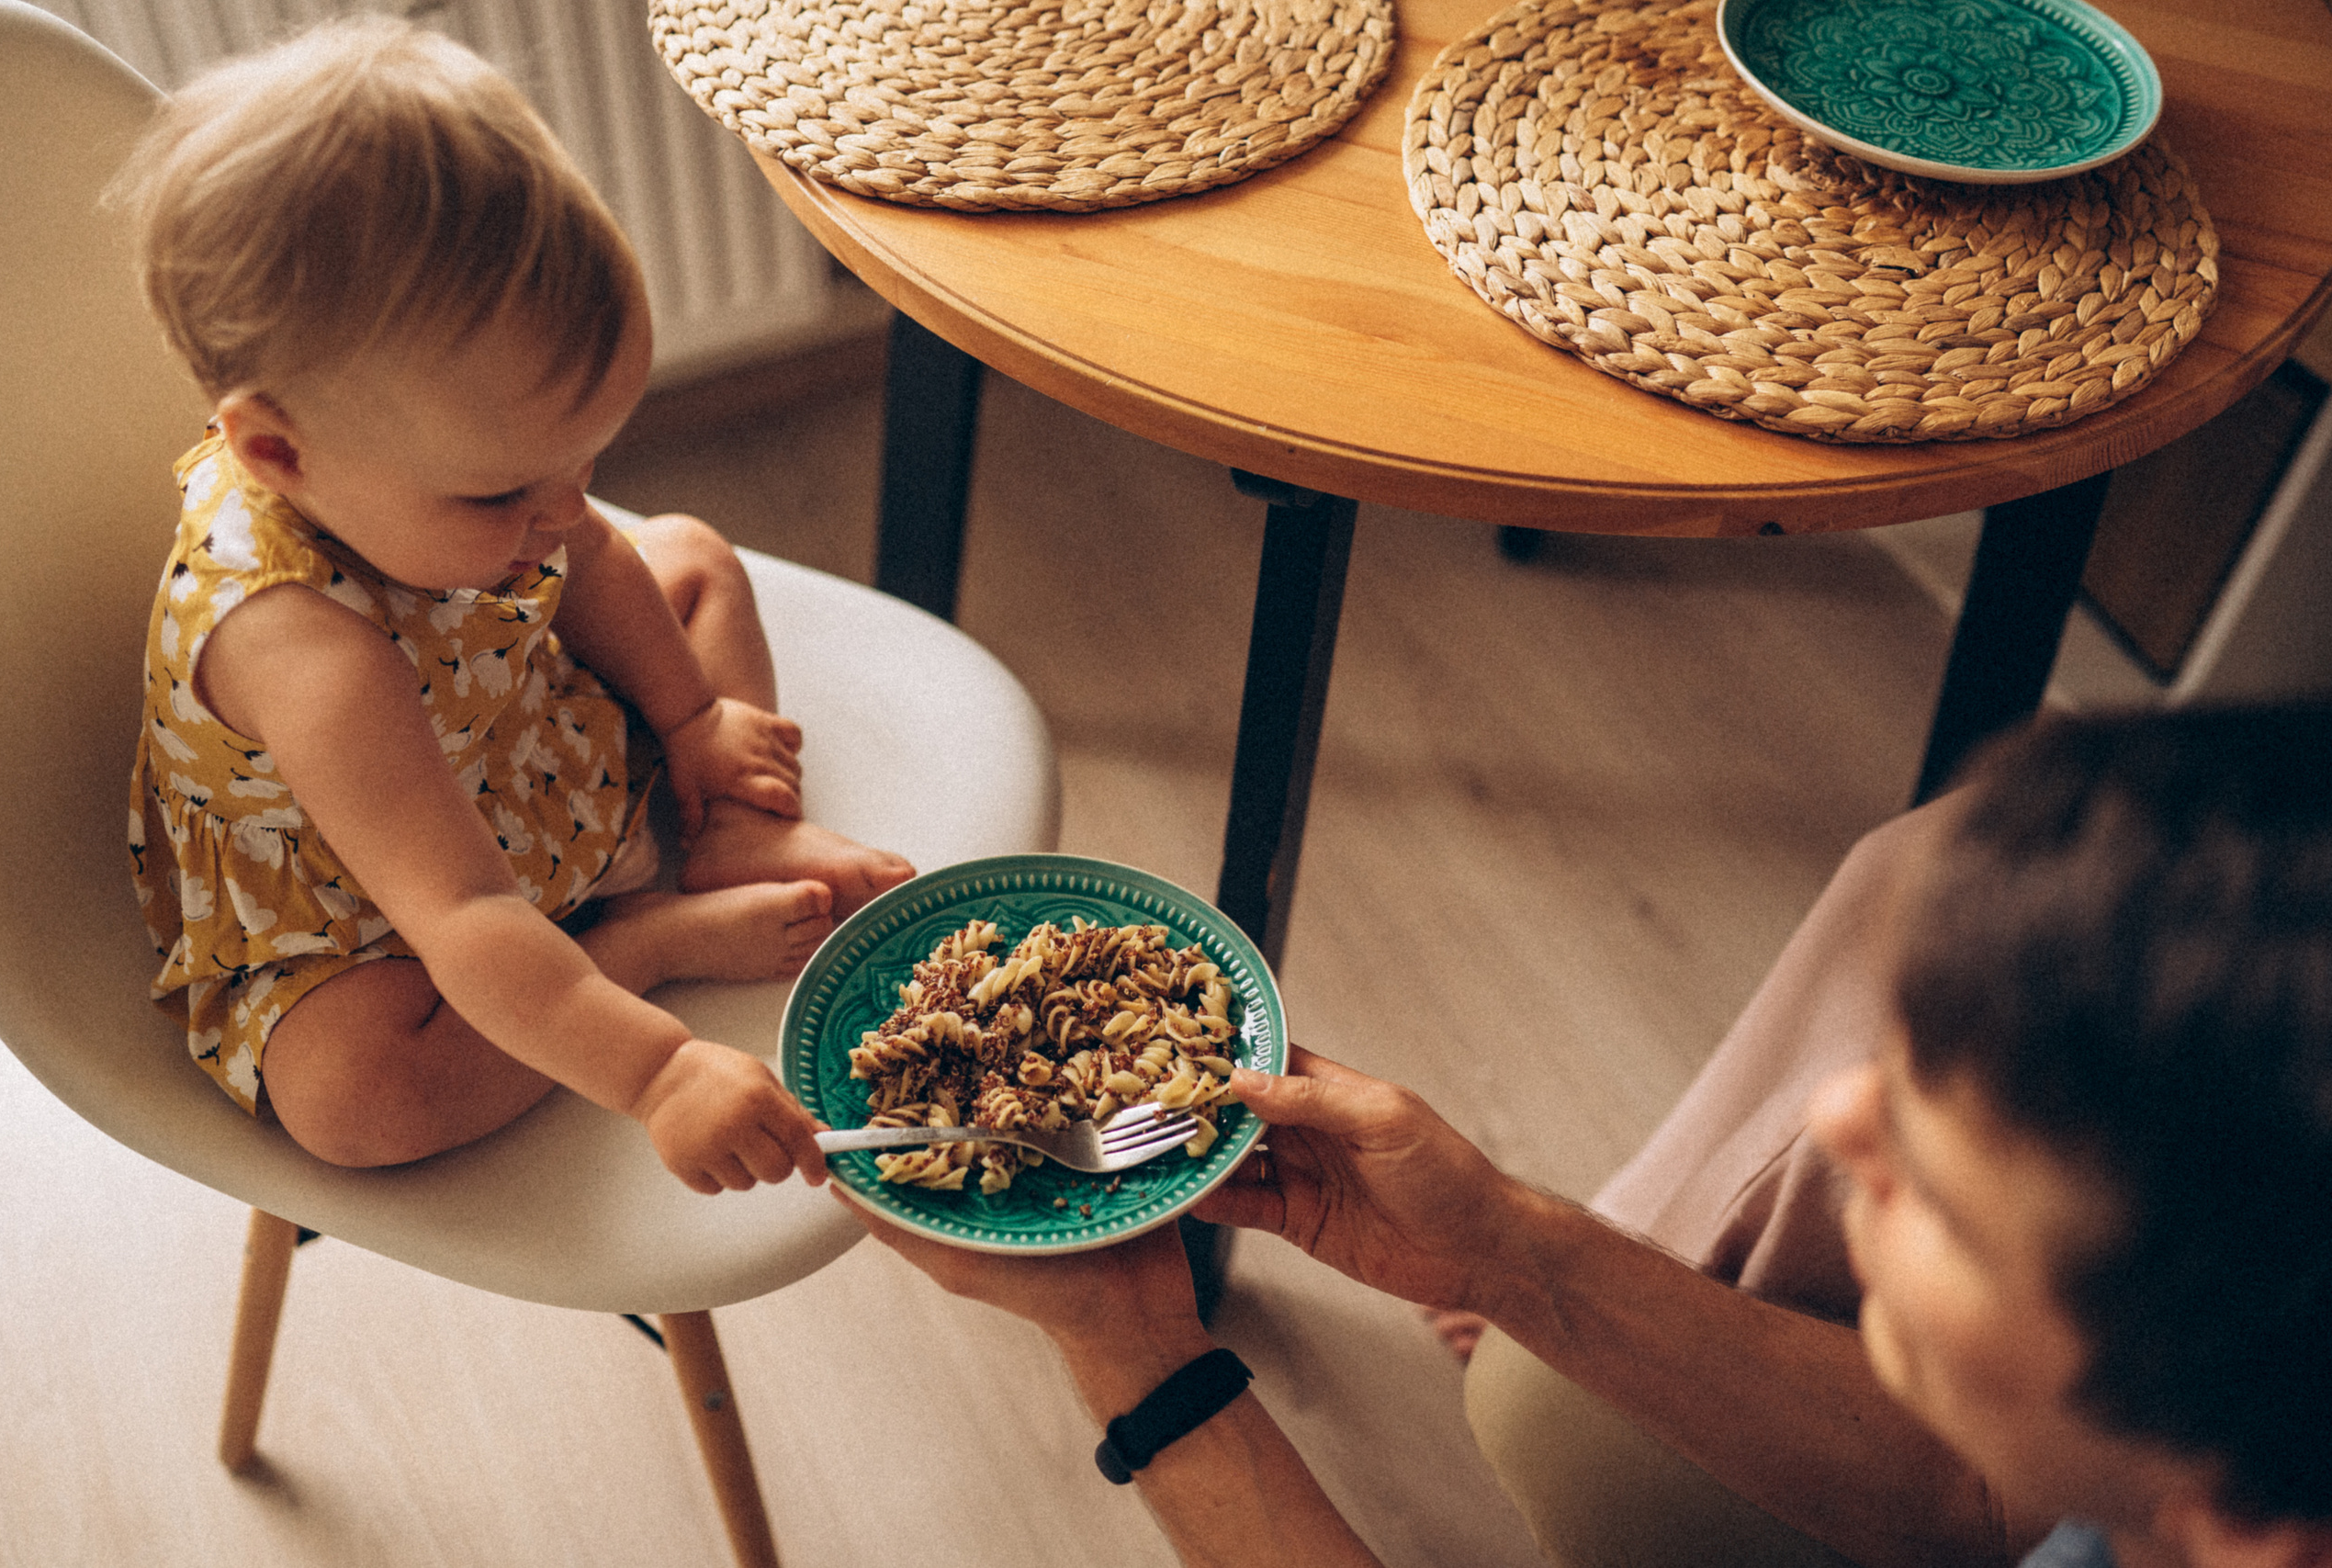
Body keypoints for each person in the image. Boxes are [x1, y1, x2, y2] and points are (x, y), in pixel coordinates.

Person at [849, 701, 2332, 1568]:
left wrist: (1135, 1355)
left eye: (1941, 1199)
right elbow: (1978, 1493)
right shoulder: (2220, 1442)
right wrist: (1516, 1247)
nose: (1834, 1113)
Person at [118, 17, 912, 1191]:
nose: (563, 515)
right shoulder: (301, 649)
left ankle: (719, 825)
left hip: (514, 746)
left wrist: (693, 722)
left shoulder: (474, 498)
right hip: (383, 895)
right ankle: (640, 939)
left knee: (691, 556)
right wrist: (658, 1074)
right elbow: (464, 916)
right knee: (351, 1099)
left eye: (582, 463)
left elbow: (586, 558)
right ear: (278, 452)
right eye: (503, 492)